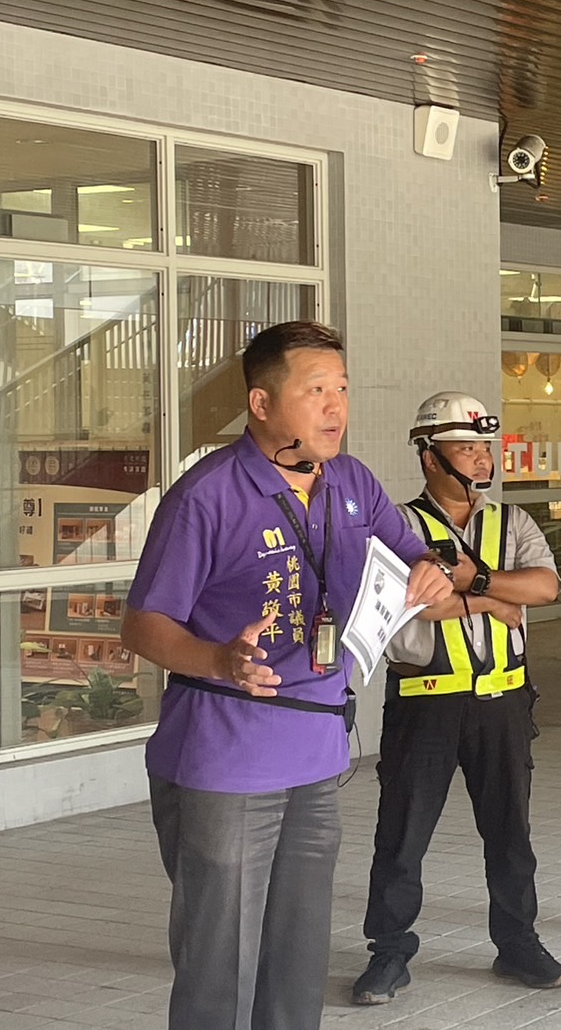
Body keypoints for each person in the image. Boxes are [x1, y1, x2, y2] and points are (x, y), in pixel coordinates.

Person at [120, 321, 455, 1030]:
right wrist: (217, 658)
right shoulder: (206, 496)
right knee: (220, 957)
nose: (335, 408)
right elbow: (143, 625)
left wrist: (433, 572)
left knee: (299, 951)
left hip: (318, 752)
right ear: (263, 404)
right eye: (315, 391)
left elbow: (422, 557)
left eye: (341, 390)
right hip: (226, 754)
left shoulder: (352, 482)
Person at [353, 391, 561, 1004]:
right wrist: (498, 601)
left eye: (483, 447)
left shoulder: (512, 523)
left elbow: (548, 587)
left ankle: (518, 942)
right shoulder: (397, 526)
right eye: (466, 447)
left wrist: (473, 583)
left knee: (509, 832)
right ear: (429, 455)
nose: (481, 458)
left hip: (503, 702)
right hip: (425, 702)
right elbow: (415, 604)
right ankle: (389, 952)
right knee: (402, 833)